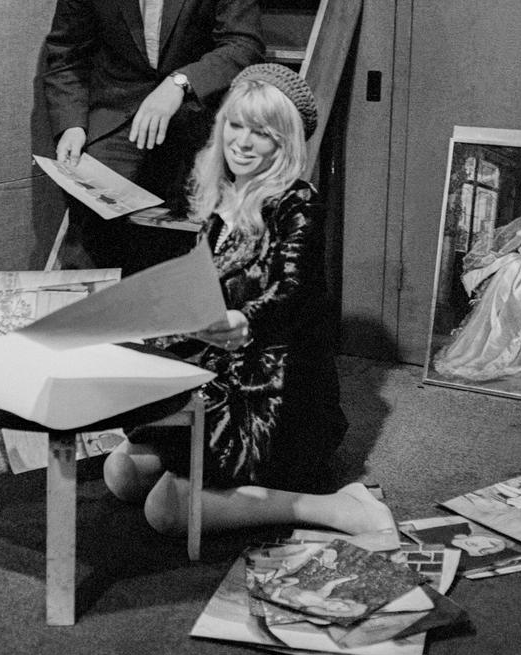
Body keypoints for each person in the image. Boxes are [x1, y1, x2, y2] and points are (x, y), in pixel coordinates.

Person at [102, 63, 397, 540]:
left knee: (165, 512)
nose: (241, 141)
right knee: (122, 476)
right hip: (217, 371)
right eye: (235, 125)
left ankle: (333, 508)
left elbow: (292, 289)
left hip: (275, 390)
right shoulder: (218, 196)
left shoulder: (298, 201)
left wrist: (245, 318)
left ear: (286, 141)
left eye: (260, 132)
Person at [43, 0, 264, 271]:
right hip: (120, 117)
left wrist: (179, 84)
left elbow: (243, 45)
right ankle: (99, 319)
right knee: (90, 208)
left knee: (204, 219)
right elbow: (65, 53)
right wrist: (70, 122)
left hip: (197, 115)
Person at [433, 186, 521, 382]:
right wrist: (494, 256)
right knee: (509, 307)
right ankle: (500, 348)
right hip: (518, 269)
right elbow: (512, 244)